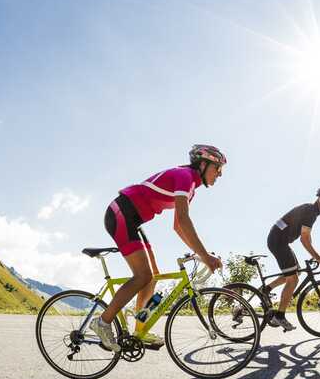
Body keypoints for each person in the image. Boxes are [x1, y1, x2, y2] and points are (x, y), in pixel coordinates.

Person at [89, 145, 226, 350]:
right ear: (203, 164)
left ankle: (140, 330)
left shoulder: (191, 188)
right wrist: (205, 255)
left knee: (152, 278)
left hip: (133, 220)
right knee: (142, 276)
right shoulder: (185, 175)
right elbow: (183, 218)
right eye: (218, 168)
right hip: (121, 213)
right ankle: (102, 322)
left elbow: (178, 227)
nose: (220, 174)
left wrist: (201, 254)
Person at [264, 187, 320, 331]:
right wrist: (318, 258)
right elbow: (304, 240)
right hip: (278, 241)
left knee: (294, 273)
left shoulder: (312, 212)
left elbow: (307, 236)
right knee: (293, 280)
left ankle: (266, 289)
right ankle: (279, 316)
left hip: (280, 241)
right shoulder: (310, 212)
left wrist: (316, 256)